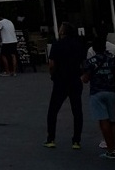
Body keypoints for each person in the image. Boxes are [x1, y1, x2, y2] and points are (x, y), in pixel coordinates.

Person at [44, 22, 85, 150]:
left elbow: (51, 64)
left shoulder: (57, 45)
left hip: (60, 80)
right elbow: (83, 62)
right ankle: (76, 141)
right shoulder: (78, 45)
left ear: (62, 32)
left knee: (53, 110)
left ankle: (51, 139)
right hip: (74, 79)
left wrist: (53, 74)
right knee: (77, 110)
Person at [83, 35, 115, 159]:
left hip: (97, 92)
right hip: (111, 90)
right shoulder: (111, 59)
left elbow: (86, 79)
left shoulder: (91, 61)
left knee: (103, 121)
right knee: (113, 120)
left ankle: (109, 149)